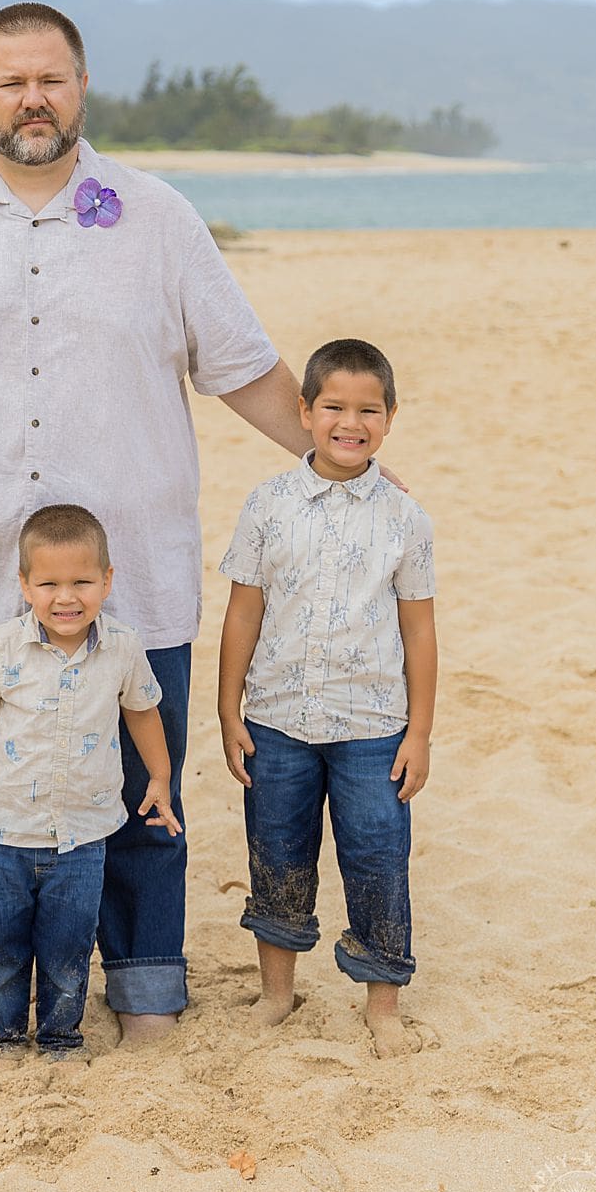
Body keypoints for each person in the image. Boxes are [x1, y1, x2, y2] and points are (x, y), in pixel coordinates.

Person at [0, 0, 312, 1039]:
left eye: (51, 78)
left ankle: (145, 985)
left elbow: (242, 366)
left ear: (83, 86)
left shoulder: (155, 216)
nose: (32, 99)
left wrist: (335, 459)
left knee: (146, 791)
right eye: (11, 81)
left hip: (128, 575)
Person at [217, 337, 437, 1058]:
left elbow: (419, 628)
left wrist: (420, 733)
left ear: (390, 418)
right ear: (305, 413)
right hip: (276, 719)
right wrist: (228, 709)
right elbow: (243, 611)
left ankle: (383, 1003)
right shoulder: (268, 505)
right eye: (334, 407)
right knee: (278, 851)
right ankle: (278, 993)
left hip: (374, 725)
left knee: (378, 855)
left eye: (369, 410)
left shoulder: (404, 518)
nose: (352, 422)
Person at [0, 505, 181, 1056]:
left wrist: (161, 776)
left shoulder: (122, 646)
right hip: (4, 834)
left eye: (82, 582)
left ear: (108, 581)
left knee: (67, 949)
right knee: (2, 949)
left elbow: (144, 711)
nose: (65, 598)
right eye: (48, 583)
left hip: (84, 834)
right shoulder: (4, 646)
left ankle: (60, 1036)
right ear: (24, 584)